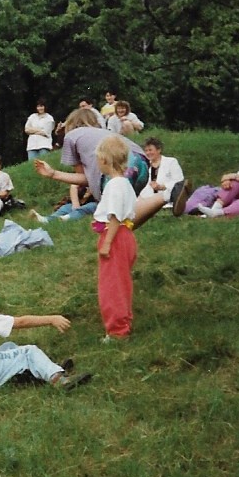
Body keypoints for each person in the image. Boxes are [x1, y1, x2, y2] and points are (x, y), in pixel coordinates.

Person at [34, 108, 189, 228]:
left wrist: (53, 174)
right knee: (126, 215)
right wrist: (53, 174)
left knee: (112, 219)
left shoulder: (72, 136)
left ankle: (168, 195)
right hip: (141, 163)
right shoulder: (102, 132)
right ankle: (168, 194)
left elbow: (85, 178)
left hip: (119, 166)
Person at [92, 135, 138, 341]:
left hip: (116, 236)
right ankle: (123, 322)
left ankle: (117, 330)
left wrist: (108, 243)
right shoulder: (125, 183)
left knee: (112, 286)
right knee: (122, 282)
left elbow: (115, 216)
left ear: (104, 159)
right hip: (124, 235)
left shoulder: (114, 185)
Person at [138, 137, 185, 212]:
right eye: (146, 150)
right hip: (146, 198)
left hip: (167, 196)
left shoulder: (171, 162)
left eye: (150, 150)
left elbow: (179, 181)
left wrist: (162, 186)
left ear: (159, 150)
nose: (148, 153)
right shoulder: (144, 165)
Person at [29, 185, 97, 223]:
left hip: (95, 204)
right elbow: (74, 186)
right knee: (67, 207)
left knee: (91, 206)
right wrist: (75, 203)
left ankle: (65, 218)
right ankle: (46, 219)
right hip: (80, 202)